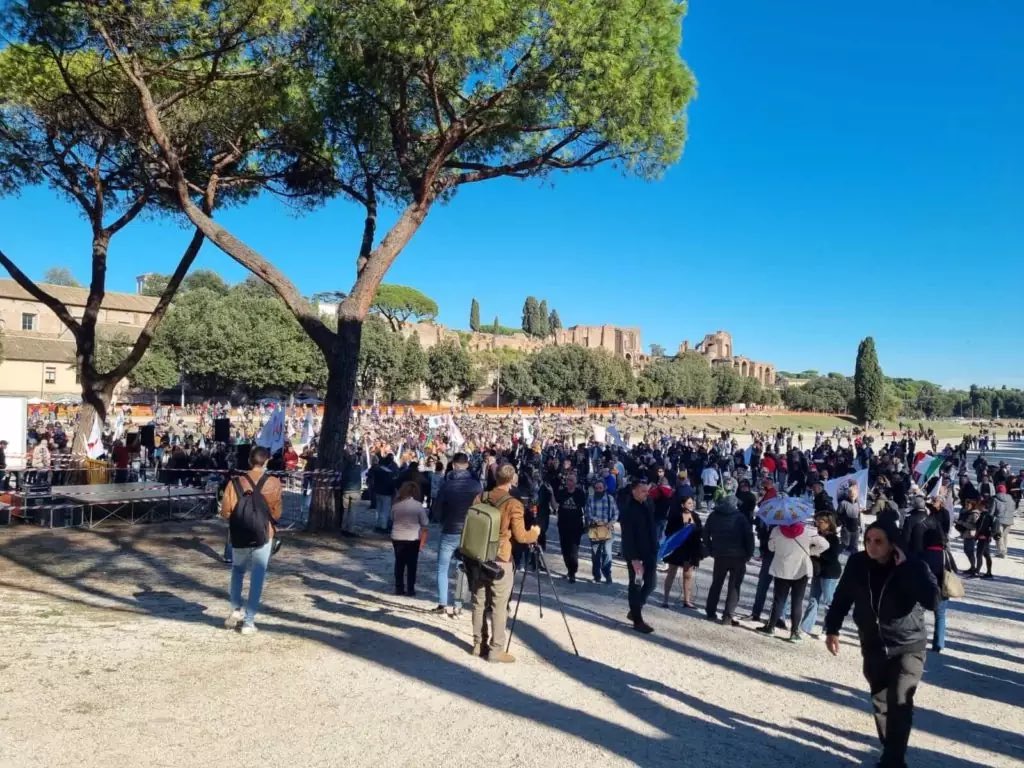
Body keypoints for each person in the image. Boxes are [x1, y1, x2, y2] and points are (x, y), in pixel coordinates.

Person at [824, 520, 939, 768]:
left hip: (907, 644)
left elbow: (932, 600)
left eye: (879, 541)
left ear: (892, 544)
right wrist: (832, 628)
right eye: (868, 541)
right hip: (873, 642)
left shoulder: (913, 564)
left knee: (900, 699)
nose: (872, 546)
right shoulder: (857, 564)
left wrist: (906, 568)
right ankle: (891, 750)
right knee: (881, 700)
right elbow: (843, 595)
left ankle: (893, 761)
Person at [469, 464, 539, 663]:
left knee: (479, 601)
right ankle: (496, 649)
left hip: (478, 554)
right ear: (512, 480)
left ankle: (477, 644)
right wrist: (534, 534)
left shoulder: (480, 497)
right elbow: (520, 535)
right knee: (499, 605)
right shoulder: (513, 504)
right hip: (501, 557)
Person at [220, 446, 283, 635]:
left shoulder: (235, 483)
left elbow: (225, 512)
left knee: (237, 570)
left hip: (239, 534)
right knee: (258, 576)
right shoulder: (274, 483)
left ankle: (235, 608)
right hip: (264, 534)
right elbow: (277, 512)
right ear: (267, 461)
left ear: (249, 460)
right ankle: (249, 622)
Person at [757, 518, 830, 642]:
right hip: (801, 570)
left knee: (778, 600)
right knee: (797, 602)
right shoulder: (808, 531)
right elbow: (825, 545)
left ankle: (771, 627)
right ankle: (794, 632)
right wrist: (811, 551)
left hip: (782, 568)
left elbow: (771, 548)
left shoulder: (776, 530)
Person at [433, 452, 482, 614]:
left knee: (442, 568)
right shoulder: (476, 486)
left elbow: (437, 509)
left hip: (449, 529)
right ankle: (458, 605)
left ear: (453, 465)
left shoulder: (446, 485)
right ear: (467, 465)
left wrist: (441, 521)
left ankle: (442, 603)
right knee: (462, 568)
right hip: (468, 531)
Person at [703, 496, 755, 627]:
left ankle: (710, 612)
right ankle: (727, 616)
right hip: (738, 556)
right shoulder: (740, 517)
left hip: (720, 555)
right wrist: (749, 554)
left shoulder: (714, 516)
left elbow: (705, 534)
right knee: (734, 587)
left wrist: (710, 549)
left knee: (716, 583)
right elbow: (749, 537)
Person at [620, 477, 658, 634]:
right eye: (643, 491)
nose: (646, 494)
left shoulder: (648, 503)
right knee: (635, 586)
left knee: (651, 583)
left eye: (647, 491)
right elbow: (627, 536)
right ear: (634, 491)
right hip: (635, 554)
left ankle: (635, 609)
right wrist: (634, 559)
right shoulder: (628, 509)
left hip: (650, 551)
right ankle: (637, 620)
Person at [799, 515, 842, 638]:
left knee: (829, 602)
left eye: (821, 521)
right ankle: (805, 627)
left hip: (830, 573)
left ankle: (829, 630)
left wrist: (818, 554)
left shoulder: (833, 538)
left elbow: (832, 556)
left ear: (829, 523)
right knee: (813, 599)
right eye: (817, 521)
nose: (818, 523)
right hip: (818, 571)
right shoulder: (816, 535)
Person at [661, 495, 703, 609]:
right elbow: (668, 531)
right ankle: (665, 599)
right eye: (689, 503)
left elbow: (701, 531)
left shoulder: (696, 516)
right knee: (671, 573)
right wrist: (682, 530)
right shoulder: (675, 517)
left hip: (691, 549)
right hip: (677, 549)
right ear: (682, 504)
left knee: (688, 575)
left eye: (692, 503)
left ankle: (687, 600)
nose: (692, 505)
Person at [390, 481, 429, 596]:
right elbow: (425, 523)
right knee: (412, 565)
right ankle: (410, 588)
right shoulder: (417, 506)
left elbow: (391, 518)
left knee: (399, 563)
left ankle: (399, 587)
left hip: (397, 536)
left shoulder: (396, 505)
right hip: (413, 537)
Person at [584, 477, 618, 584]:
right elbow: (588, 514)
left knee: (607, 553)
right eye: (596, 488)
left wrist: (610, 523)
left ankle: (607, 575)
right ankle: (596, 576)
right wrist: (599, 522)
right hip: (595, 529)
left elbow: (616, 513)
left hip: (608, 530)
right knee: (595, 554)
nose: (598, 490)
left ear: (604, 488)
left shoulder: (610, 499)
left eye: (600, 488)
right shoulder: (590, 499)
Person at [555, 473, 587, 583]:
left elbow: (584, 508)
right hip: (563, 525)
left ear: (576, 482)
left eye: (572, 480)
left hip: (576, 526)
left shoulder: (580, 493)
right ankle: (569, 569)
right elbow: (555, 505)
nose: (569, 482)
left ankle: (573, 572)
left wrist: (586, 524)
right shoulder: (562, 492)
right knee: (565, 550)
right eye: (568, 480)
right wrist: (551, 494)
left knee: (573, 550)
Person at [339, 448, 363, 537]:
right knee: (353, 511)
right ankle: (350, 529)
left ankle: (343, 527)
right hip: (356, 490)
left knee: (345, 510)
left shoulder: (344, 468)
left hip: (346, 490)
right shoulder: (358, 468)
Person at [991, 484, 1015, 559]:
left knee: (998, 536)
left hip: (999, 520)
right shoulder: (1011, 499)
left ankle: (1001, 552)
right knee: (1004, 536)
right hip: (1009, 520)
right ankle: (1004, 550)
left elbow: (992, 511)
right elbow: (1013, 509)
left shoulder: (995, 499)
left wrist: (990, 517)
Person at [837, 483, 862, 554]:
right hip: (846, 529)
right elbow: (838, 515)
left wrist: (860, 525)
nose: (852, 495)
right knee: (845, 545)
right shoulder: (843, 503)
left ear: (857, 494)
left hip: (855, 529)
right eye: (851, 494)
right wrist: (843, 524)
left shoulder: (858, 503)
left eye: (854, 494)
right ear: (848, 494)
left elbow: (858, 515)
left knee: (854, 547)